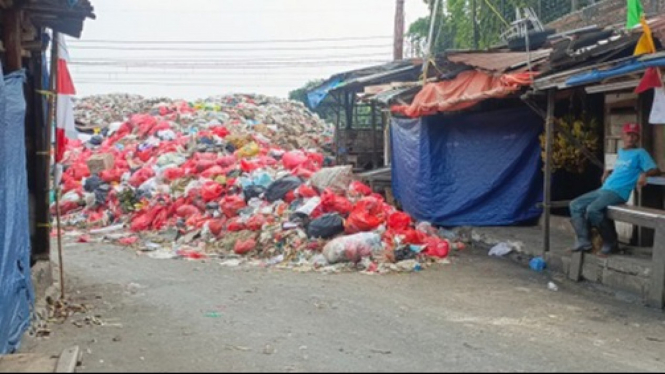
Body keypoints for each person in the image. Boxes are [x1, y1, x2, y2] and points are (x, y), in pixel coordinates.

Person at [569, 122, 660, 256]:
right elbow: (623, 169)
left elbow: (655, 169)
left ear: (638, 138)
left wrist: (644, 174)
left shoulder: (640, 153)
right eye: (628, 134)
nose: (631, 138)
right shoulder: (621, 152)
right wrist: (609, 171)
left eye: (635, 135)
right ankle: (584, 241)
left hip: (618, 192)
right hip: (604, 189)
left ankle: (611, 243)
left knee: (593, 209)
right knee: (575, 205)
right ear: (623, 135)